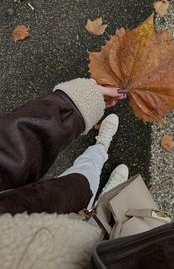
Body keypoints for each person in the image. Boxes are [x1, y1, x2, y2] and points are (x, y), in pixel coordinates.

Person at [0, 77, 128, 268]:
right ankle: (109, 200)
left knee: (85, 175)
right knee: (103, 226)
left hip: (55, 202)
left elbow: (7, 159)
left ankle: (100, 149)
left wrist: (73, 108)